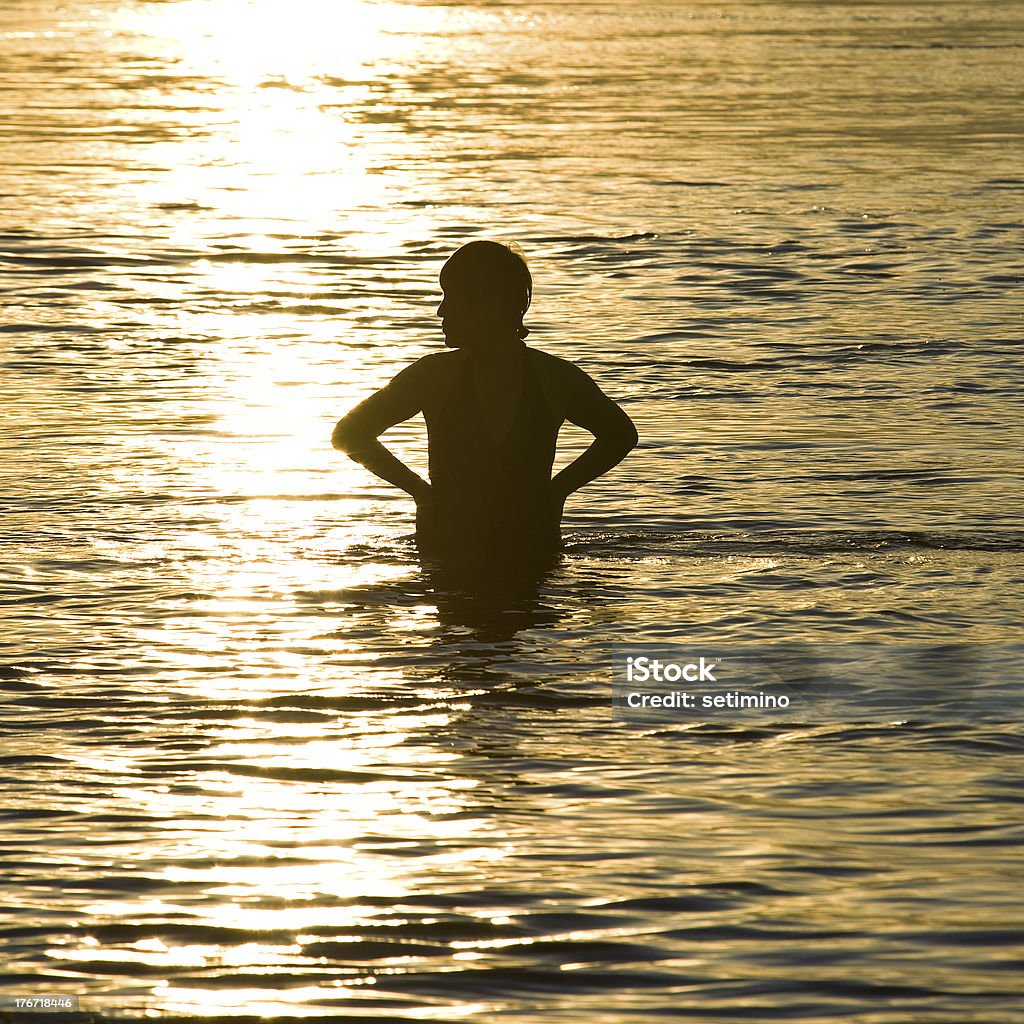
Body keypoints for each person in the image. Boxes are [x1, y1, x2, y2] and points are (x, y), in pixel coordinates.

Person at [331, 240, 637, 578]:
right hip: (500, 550)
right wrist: (421, 492)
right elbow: (348, 434)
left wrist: (557, 492)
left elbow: (621, 435)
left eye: (452, 298)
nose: (441, 312)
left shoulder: (436, 376)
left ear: (488, 303)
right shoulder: (548, 376)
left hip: (486, 550)